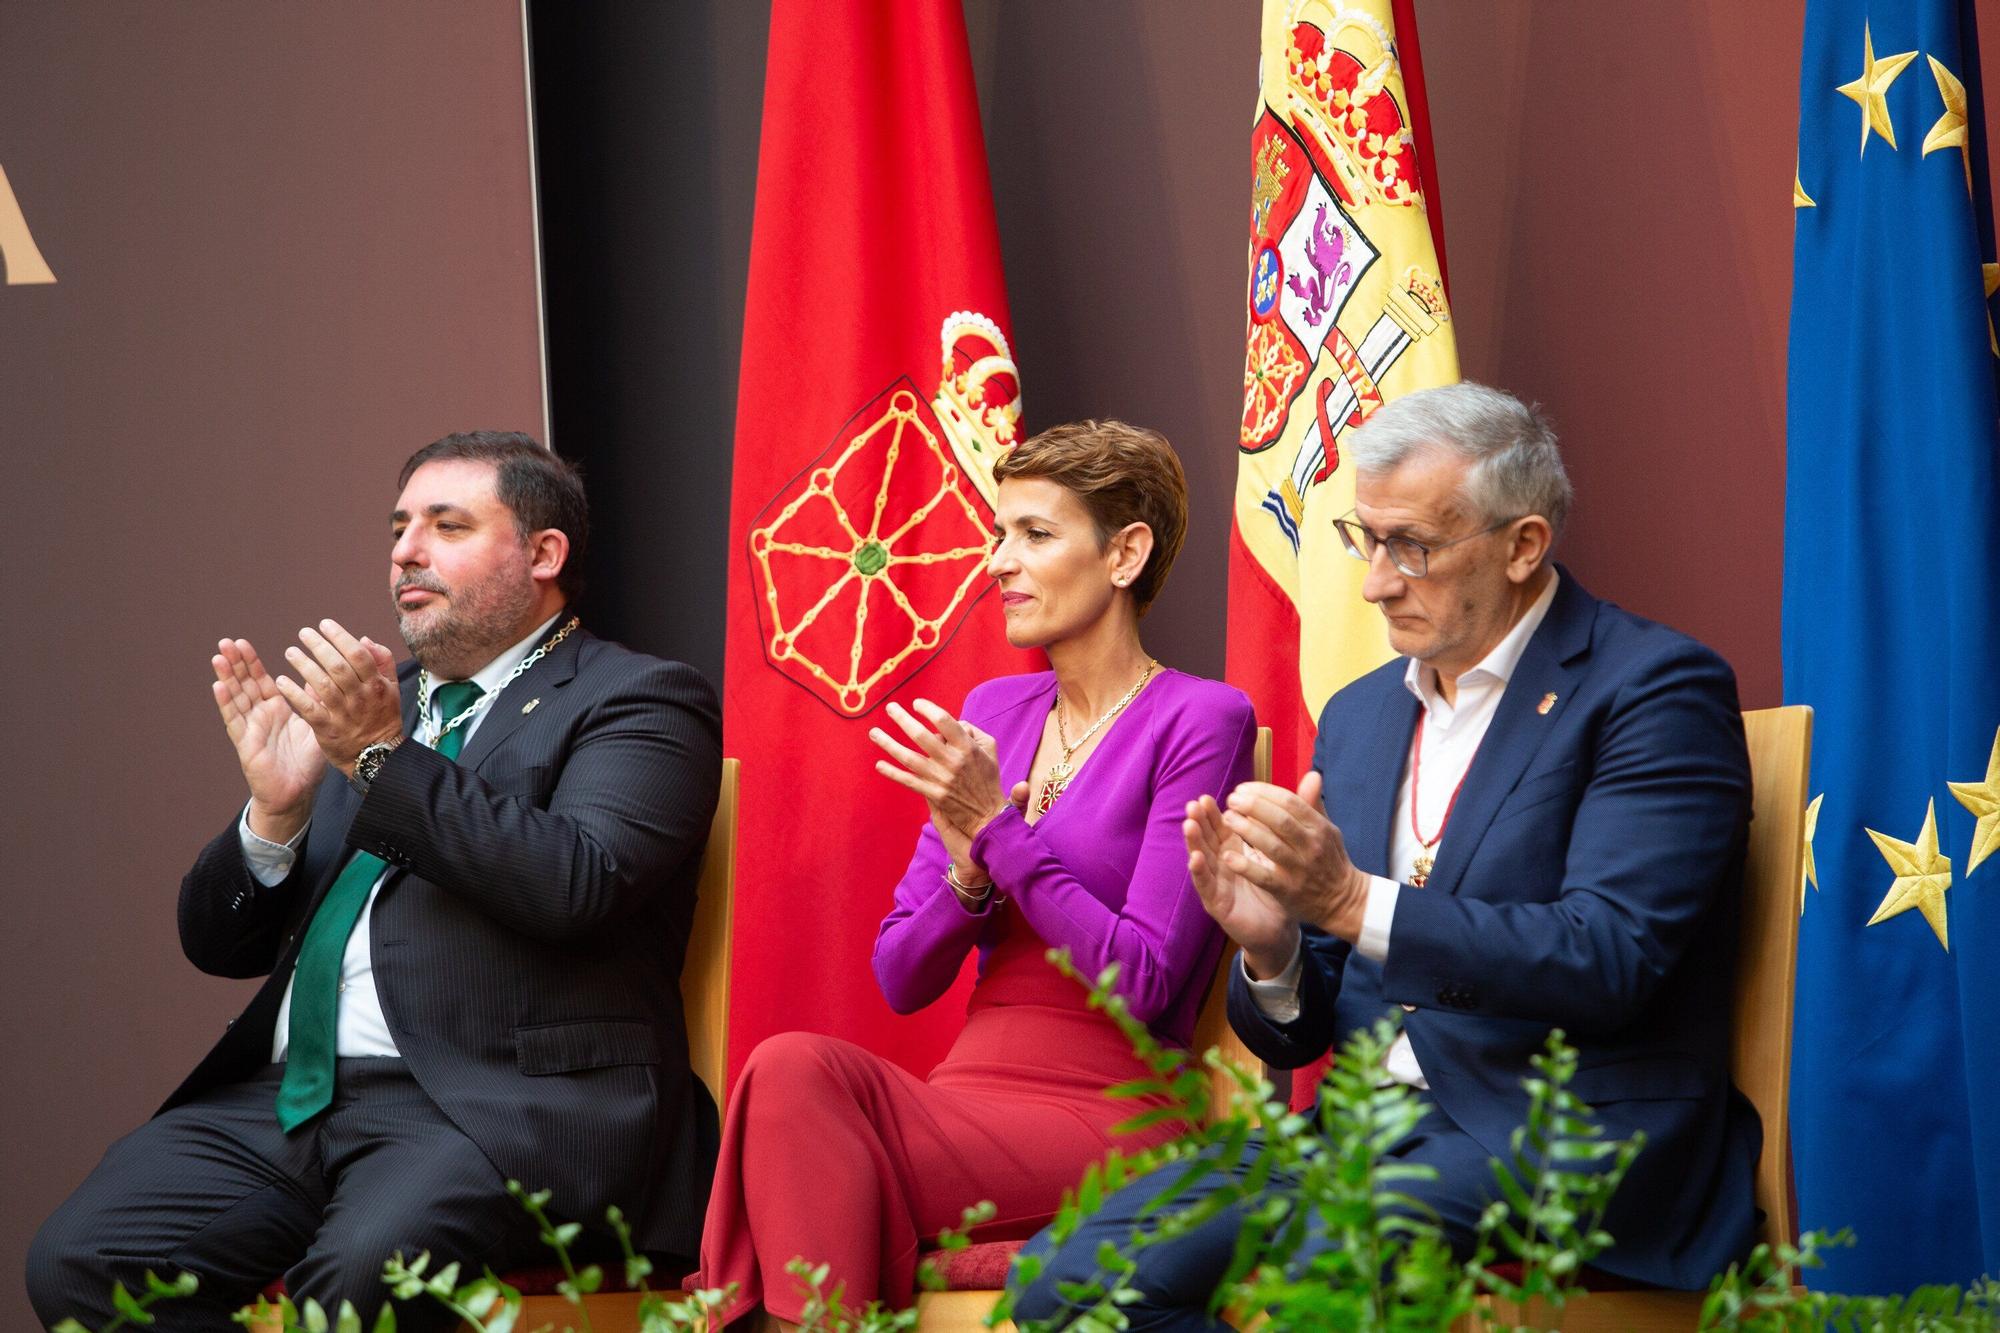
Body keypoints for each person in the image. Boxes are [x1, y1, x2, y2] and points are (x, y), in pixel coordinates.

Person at [1014, 383, 1763, 1329]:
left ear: (1523, 544)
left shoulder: (1651, 690)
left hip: (1561, 1132)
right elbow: (1303, 1026)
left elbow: (1606, 958)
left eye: (1411, 545)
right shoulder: (1363, 713)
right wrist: (1274, 948)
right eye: (1364, 538)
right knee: (1064, 1286)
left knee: (1316, 1283)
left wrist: (1347, 900)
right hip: (1361, 1132)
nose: (1374, 580)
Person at [27, 432, 724, 1331]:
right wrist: (272, 817)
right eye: (399, 526)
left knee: (363, 1284)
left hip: (493, 1105)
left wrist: (382, 759)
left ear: (544, 555)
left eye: (448, 524)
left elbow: (576, 882)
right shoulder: (368, 702)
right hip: (291, 1101)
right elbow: (217, 945)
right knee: (84, 1262)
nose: (406, 550)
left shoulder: (636, 699)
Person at [694, 421, 1258, 1325]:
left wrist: (1000, 832)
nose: (999, 561)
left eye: (1035, 534)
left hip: (1110, 1114)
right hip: (963, 1104)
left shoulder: (1201, 719)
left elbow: (1149, 984)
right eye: (1000, 534)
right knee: (789, 1072)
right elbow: (900, 974)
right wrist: (966, 877)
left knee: (790, 1087)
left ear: (1126, 553)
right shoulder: (996, 709)